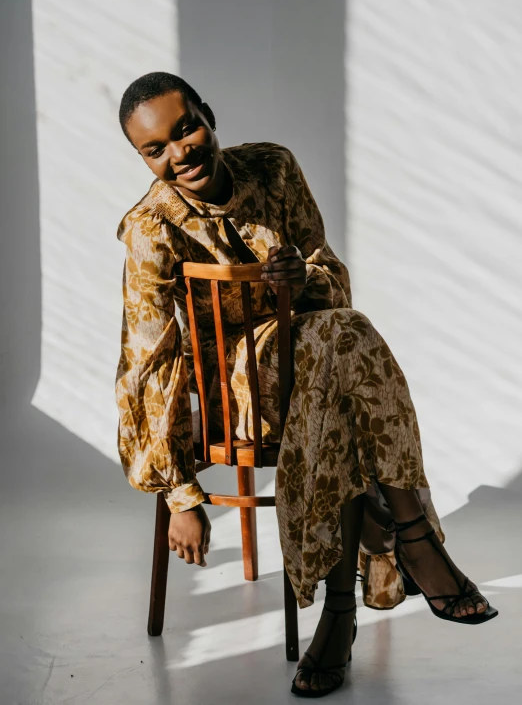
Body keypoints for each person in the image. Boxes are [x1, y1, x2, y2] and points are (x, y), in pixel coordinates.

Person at [115, 72, 497, 698]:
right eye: (156, 149)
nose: (179, 153)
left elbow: (334, 281)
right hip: (237, 394)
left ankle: (339, 620)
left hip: (320, 363)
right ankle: (414, 538)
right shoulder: (150, 229)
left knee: (337, 352)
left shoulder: (273, 168)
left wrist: (303, 279)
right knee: (347, 339)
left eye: (186, 129)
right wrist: (179, 493)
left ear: (208, 114)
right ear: (143, 158)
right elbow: (145, 362)